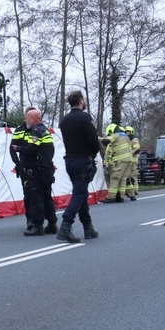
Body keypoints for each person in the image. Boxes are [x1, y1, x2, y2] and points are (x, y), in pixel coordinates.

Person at [56, 90, 101, 243]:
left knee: (80, 193)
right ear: (81, 101)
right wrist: (94, 152)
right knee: (79, 195)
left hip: (69, 160)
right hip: (83, 160)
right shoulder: (84, 118)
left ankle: (88, 228)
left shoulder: (64, 120)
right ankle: (65, 227)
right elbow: (94, 142)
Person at [19, 109, 58, 235]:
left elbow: (31, 150)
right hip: (47, 168)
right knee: (47, 197)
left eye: (28, 118)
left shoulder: (36, 131)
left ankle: (38, 226)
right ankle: (52, 223)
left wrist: (19, 148)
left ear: (35, 119)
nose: (26, 121)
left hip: (38, 169)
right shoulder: (44, 130)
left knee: (36, 198)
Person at [9, 108, 37, 231]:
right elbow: (12, 148)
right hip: (25, 166)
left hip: (38, 165)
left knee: (40, 192)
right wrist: (18, 164)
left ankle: (41, 218)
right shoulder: (19, 130)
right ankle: (30, 219)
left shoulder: (39, 129)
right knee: (28, 193)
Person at [101, 124, 134, 203]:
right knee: (123, 178)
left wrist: (96, 138)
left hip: (120, 160)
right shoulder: (125, 137)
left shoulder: (116, 135)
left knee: (115, 178)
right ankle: (120, 196)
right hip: (128, 160)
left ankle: (111, 197)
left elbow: (106, 141)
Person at [125, 125, 140, 200]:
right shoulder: (126, 139)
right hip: (128, 159)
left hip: (133, 160)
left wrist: (131, 152)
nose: (127, 133)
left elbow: (137, 148)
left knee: (133, 175)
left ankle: (135, 190)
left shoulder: (134, 139)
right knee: (128, 175)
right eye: (126, 132)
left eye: (128, 132)